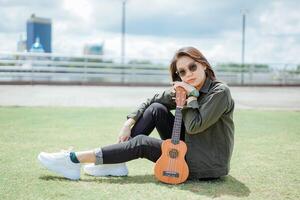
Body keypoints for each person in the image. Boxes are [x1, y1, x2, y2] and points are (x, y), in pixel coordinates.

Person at [38, 46, 235, 181]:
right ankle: (116, 162)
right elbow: (153, 100)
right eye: (182, 72)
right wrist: (129, 122)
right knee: (156, 110)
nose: (188, 74)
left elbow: (194, 126)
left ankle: (73, 160)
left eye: (192, 67)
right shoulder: (184, 88)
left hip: (204, 164)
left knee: (141, 142)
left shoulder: (220, 92)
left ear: (204, 65)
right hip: (189, 146)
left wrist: (191, 96)